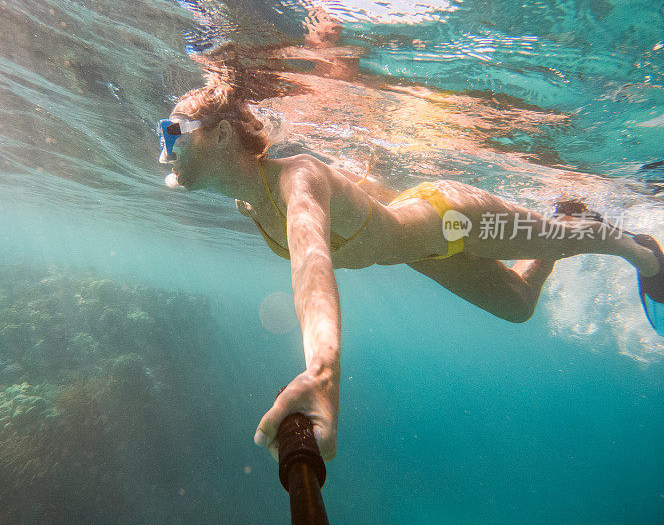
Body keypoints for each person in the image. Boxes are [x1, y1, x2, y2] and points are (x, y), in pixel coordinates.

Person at [156, 72, 664, 462]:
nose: (165, 151)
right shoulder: (249, 204)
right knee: (519, 305)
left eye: (173, 131)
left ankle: (644, 254)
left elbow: (313, 268)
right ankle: (567, 213)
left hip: (451, 218)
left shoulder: (297, 176)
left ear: (222, 135)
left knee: (571, 241)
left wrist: (323, 374)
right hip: (424, 254)